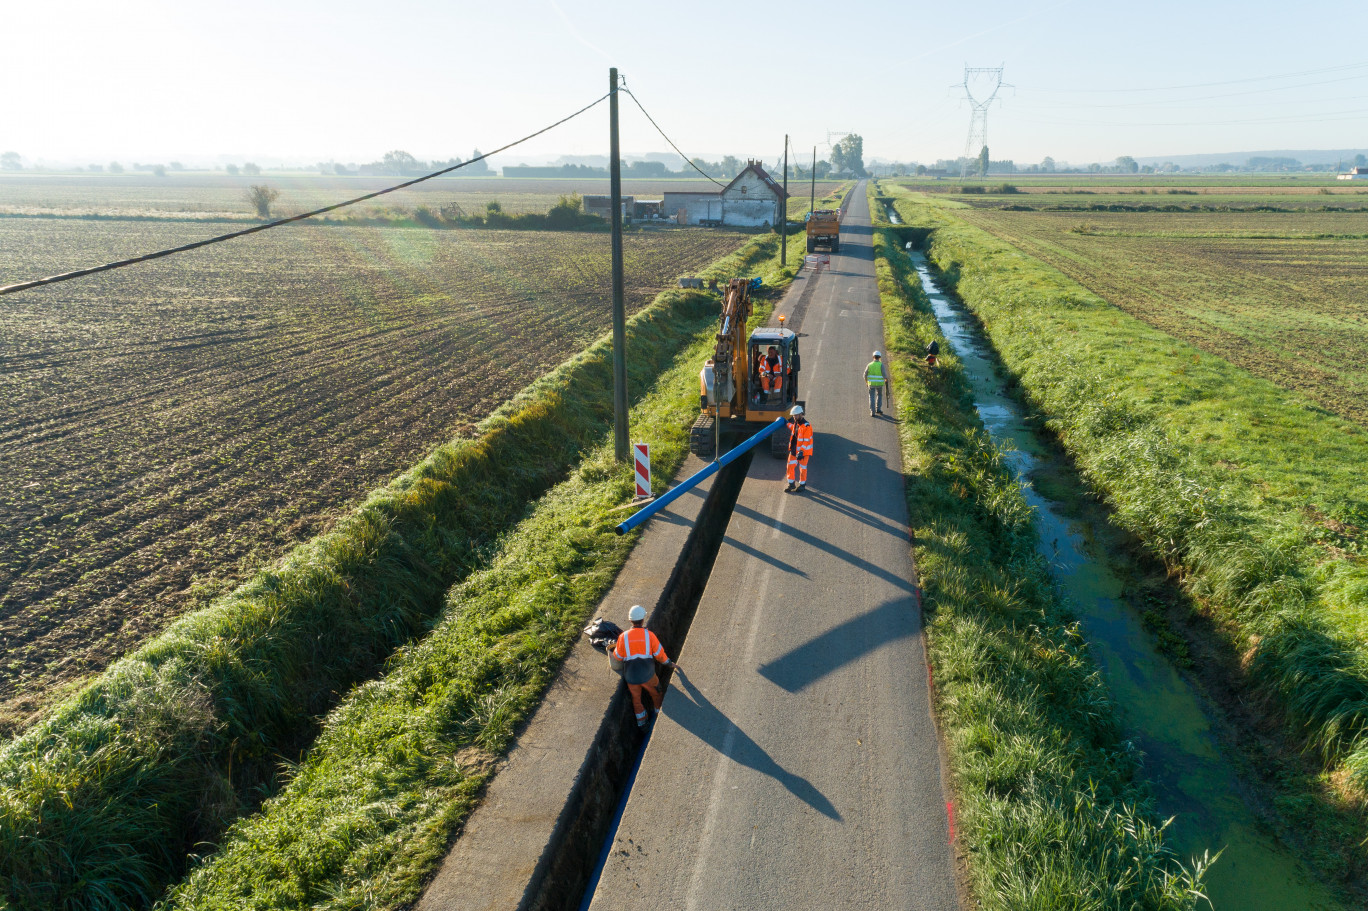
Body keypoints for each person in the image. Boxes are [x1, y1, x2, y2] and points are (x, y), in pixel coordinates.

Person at [612, 604, 678, 729]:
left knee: (636, 700)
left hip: (631, 677)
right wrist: (669, 663)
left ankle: (642, 724)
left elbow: (618, 657)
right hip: (648, 675)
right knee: (656, 693)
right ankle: (658, 714)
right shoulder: (649, 635)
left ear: (630, 620)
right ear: (643, 620)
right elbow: (659, 655)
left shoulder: (623, 637)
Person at [785, 404, 813, 492]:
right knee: (790, 466)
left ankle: (802, 485)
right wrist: (786, 423)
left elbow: (806, 441)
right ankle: (791, 484)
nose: (794, 417)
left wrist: (801, 452)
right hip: (794, 450)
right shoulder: (796, 423)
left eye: (796, 415)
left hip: (803, 452)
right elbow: (793, 428)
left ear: (801, 414)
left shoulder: (806, 426)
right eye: (793, 415)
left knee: (803, 468)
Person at [864, 350, 889, 416]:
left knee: (871, 397)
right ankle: (878, 409)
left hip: (871, 384)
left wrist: (866, 382)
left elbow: (865, 375)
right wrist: (886, 379)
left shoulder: (869, 365)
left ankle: (872, 412)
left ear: (873, 357)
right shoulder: (881, 365)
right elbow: (884, 374)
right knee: (879, 395)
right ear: (880, 357)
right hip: (879, 384)